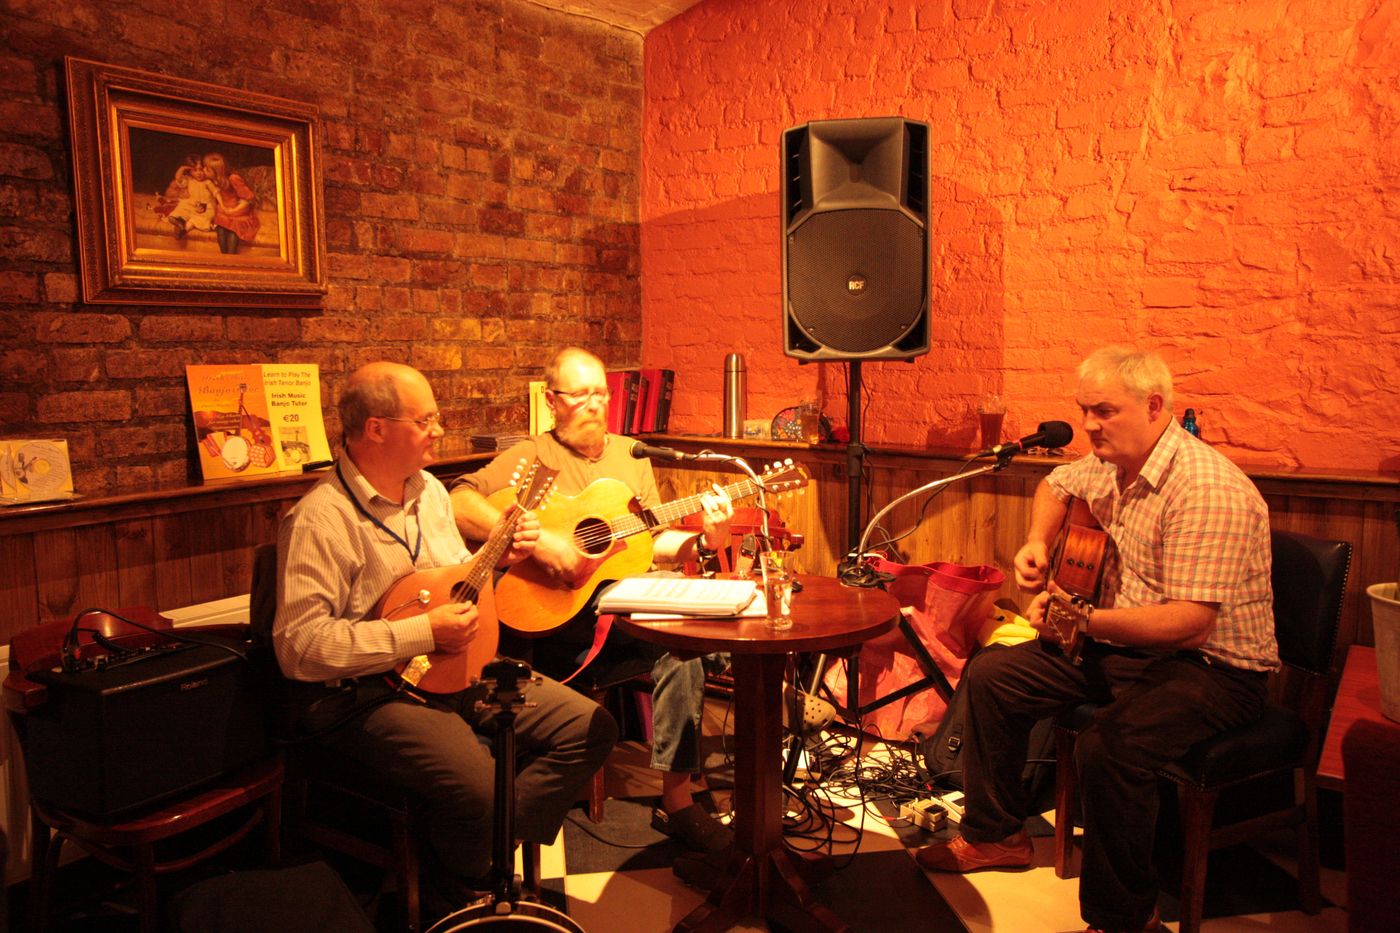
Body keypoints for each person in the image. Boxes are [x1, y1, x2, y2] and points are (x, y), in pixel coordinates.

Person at [916, 346, 1277, 933]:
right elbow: (1057, 484)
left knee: (1109, 747)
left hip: (1213, 669)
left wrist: (1080, 618)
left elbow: (1190, 622)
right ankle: (997, 835)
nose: (1088, 425)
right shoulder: (1111, 462)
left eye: (1104, 411)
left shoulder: (1208, 489)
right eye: (1084, 410)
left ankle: (1126, 919)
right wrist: (1037, 542)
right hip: (1124, 646)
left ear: (1155, 406)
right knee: (992, 675)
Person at [273, 362, 617, 917]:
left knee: (590, 728)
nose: (438, 431)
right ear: (376, 429)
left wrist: (494, 559)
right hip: (363, 692)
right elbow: (300, 647)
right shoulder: (319, 520)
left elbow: (451, 575)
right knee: (479, 785)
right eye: (425, 419)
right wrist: (421, 631)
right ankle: (459, 891)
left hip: (448, 667)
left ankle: (473, 860)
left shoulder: (428, 491)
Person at [450, 347, 736, 854]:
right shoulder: (531, 457)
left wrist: (704, 540)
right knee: (688, 641)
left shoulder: (633, 455)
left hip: (624, 611)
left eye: (601, 392)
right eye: (580, 394)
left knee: (690, 644)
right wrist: (542, 542)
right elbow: (458, 499)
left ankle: (678, 803)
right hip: (558, 617)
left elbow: (653, 543)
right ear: (553, 400)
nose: (595, 404)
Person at [203, 151, 261, 254]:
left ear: (217, 171)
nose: (204, 171)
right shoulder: (213, 181)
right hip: (224, 211)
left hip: (238, 211)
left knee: (233, 230)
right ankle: (225, 259)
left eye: (207, 169)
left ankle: (231, 258)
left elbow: (248, 200)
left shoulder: (233, 178)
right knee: (220, 231)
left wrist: (233, 210)